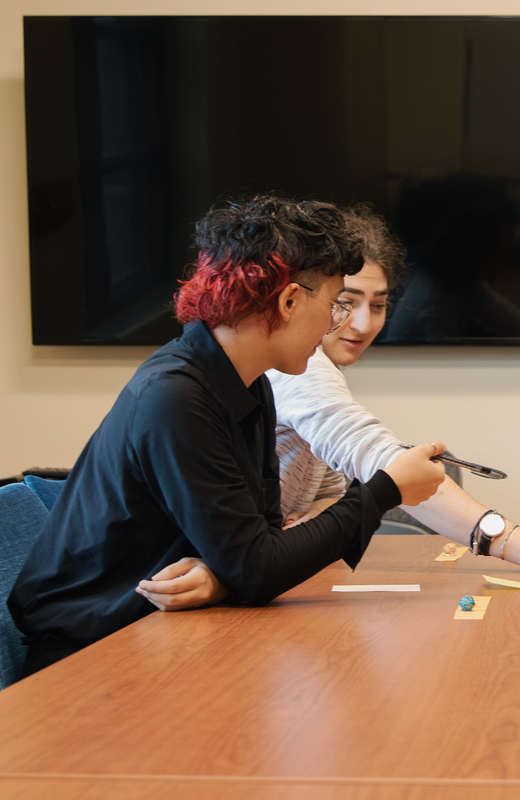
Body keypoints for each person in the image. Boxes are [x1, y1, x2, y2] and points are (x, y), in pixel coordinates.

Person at [6, 196, 452, 677]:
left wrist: (224, 579)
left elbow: (260, 544)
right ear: (289, 302)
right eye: (334, 307)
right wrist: (385, 489)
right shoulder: (174, 396)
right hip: (86, 657)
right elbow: (260, 568)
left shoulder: (248, 381)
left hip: (165, 633)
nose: (334, 325)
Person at [264, 205, 520, 577]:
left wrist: (315, 518)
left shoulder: (462, 286)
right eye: (344, 304)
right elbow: (382, 463)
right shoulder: (303, 368)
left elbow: (330, 487)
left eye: (379, 305)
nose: (363, 324)